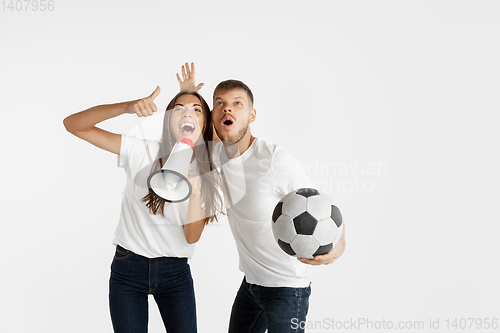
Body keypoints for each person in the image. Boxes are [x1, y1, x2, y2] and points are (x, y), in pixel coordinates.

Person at [177, 63, 346, 333]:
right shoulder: (217, 153)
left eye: (237, 104)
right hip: (251, 284)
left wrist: (339, 247)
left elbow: (323, 208)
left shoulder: (274, 159)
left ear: (252, 115)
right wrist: (188, 97)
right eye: (220, 103)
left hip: (287, 290)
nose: (227, 108)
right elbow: (195, 128)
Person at [63, 79, 223, 333]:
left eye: (196, 110)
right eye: (178, 109)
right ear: (168, 121)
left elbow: (191, 237)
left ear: (204, 125)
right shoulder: (142, 152)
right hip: (128, 268)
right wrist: (126, 107)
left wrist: (194, 195)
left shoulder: (208, 172)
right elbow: (73, 125)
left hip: (175, 273)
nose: (187, 113)